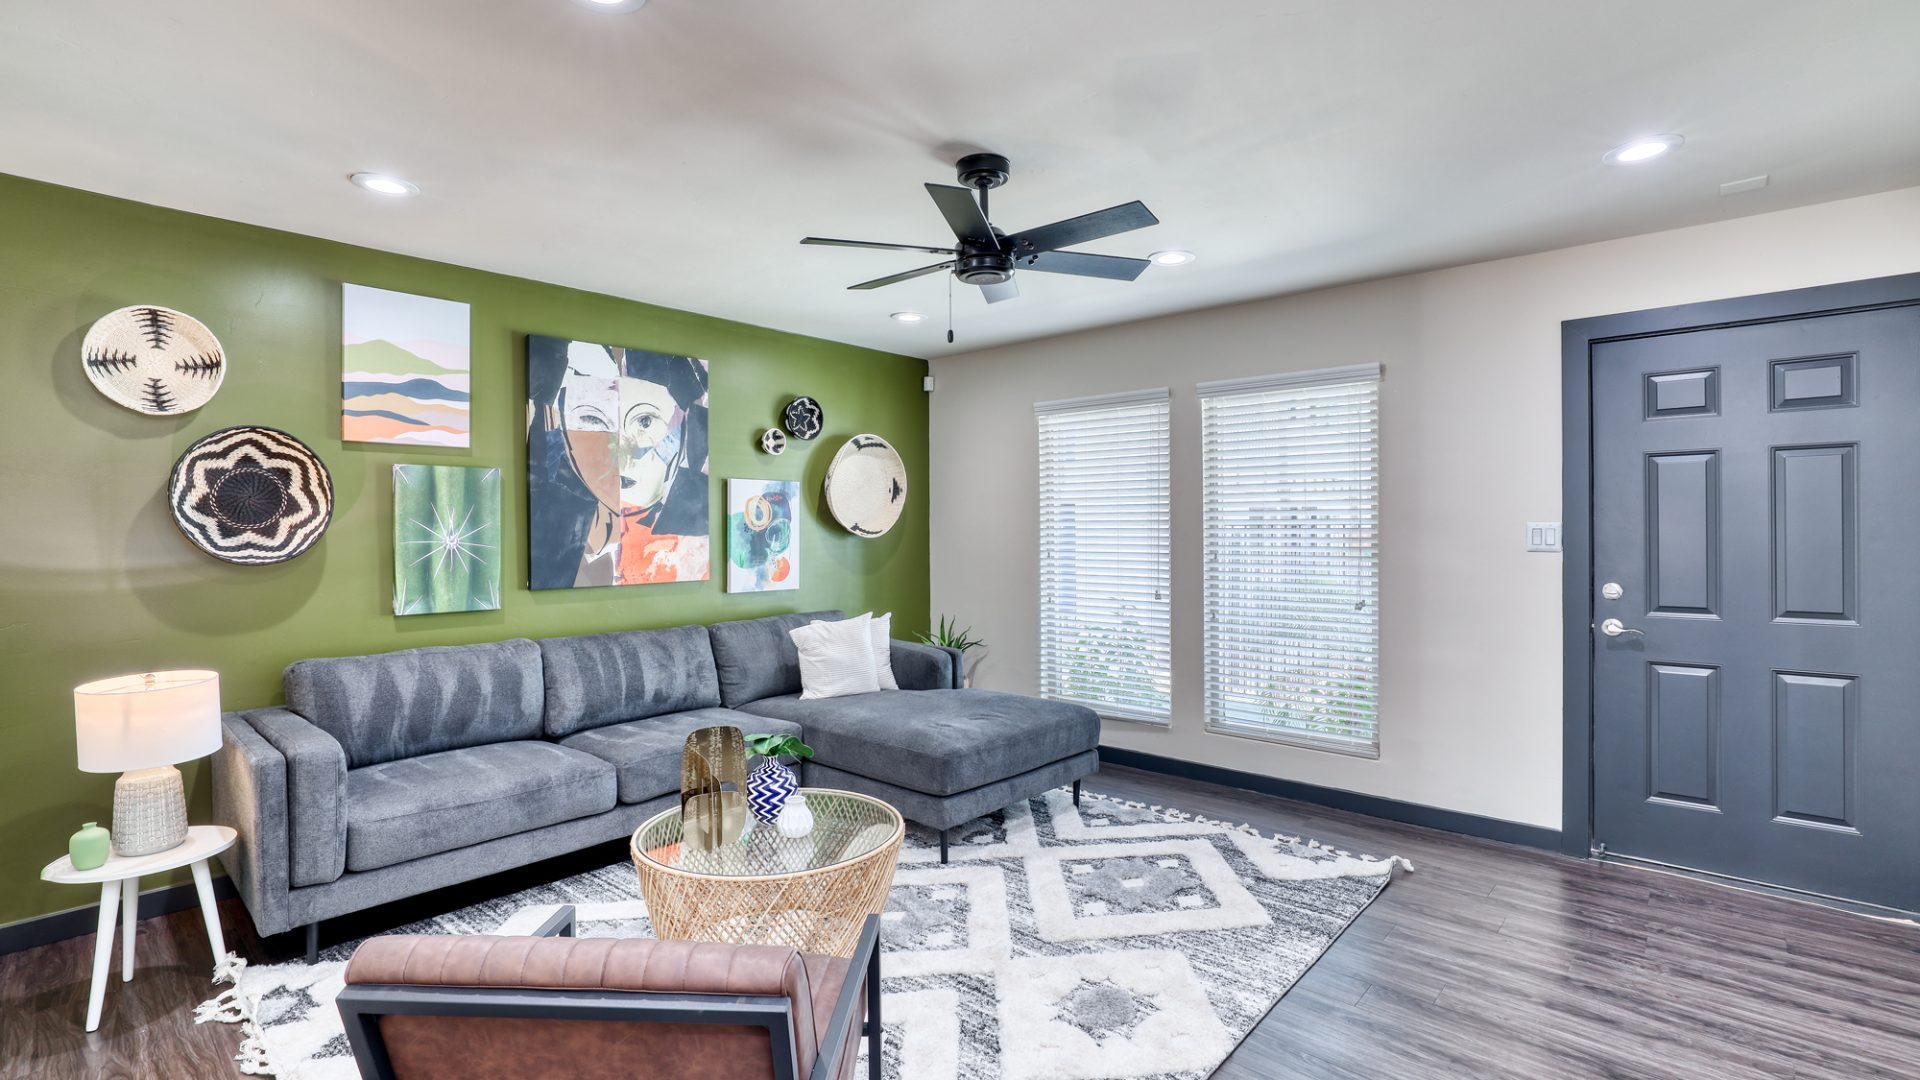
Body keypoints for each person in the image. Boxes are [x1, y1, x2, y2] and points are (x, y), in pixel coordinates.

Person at [528, 335, 708, 589]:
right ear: (560, 429)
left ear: (690, 429)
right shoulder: (553, 543)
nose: (622, 453)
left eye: (645, 421)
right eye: (592, 420)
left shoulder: (697, 539)